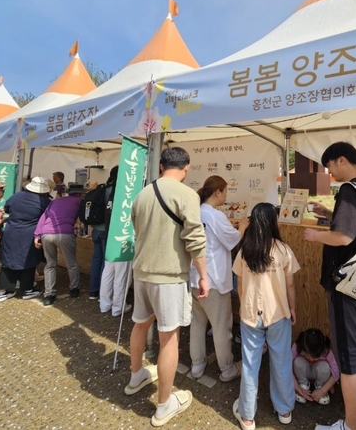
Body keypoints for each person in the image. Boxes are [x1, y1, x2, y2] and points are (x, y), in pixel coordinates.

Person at [124, 147, 208, 427]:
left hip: (142, 271)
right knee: (168, 338)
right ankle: (164, 404)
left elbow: (137, 229)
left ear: (160, 166)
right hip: (169, 276)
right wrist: (204, 276)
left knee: (140, 324)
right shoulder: (187, 194)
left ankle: (136, 375)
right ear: (186, 168)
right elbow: (195, 239)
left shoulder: (143, 193)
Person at [303, 142, 356, 430]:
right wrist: (328, 213)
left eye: (330, 166)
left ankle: (350, 425)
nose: (329, 173)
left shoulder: (348, 189)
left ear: (341, 160)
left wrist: (316, 235)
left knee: (348, 357)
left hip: (346, 286)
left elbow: (345, 237)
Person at [232, 202, 298, 429]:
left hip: (250, 314)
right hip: (279, 313)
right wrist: (293, 309)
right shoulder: (283, 250)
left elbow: (239, 284)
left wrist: (243, 307)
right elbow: (290, 286)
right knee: (281, 361)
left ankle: (248, 416)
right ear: (272, 222)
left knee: (250, 364)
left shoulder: (244, 250)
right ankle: (285, 410)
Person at [190, 175, 248, 382]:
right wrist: (241, 226)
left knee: (197, 323)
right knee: (221, 328)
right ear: (218, 192)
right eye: (225, 191)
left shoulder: (195, 211)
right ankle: (227, 369)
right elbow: (233, 240)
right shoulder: (215, 215)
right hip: (213, 280)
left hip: (195, 278)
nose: (226, 195)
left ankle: (197, 365)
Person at [0, 176, 51, 302]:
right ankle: (27, 289)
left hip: (11, 231)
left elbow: (7, 209)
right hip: (29, 233)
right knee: (29, 261)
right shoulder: (44, 202)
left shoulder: (16, 196)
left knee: (8, 261)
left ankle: (1, 291)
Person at [35, 184, 84, 306]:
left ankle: (49, 295)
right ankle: (74, 289)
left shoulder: (57, 201)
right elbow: (83, 218)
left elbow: (43, 218)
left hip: (46, 233)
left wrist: (37, 235)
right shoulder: (80, 201)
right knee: (71, 263)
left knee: (50, 264)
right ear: (80, 194)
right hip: (65, 233)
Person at [99, 166, 132, 316]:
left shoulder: (111, 191)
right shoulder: (126, 192)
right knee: (121, 275)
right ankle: (118, 307)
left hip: (109, 236)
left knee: (108, 272)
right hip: (122, 239)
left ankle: (105, 304)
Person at [293, 328, 340, 406]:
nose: (311, 359)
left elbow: (336, 373)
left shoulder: (326, 351)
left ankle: (319, 386)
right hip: (303, 373)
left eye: (315, 358)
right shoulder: (297, 346)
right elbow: (286, 367)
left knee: (324, 366)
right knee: (298, 361)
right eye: (308, 356)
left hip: (319, 374)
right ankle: (303, 385)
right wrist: (297, 387)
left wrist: (322, 390)